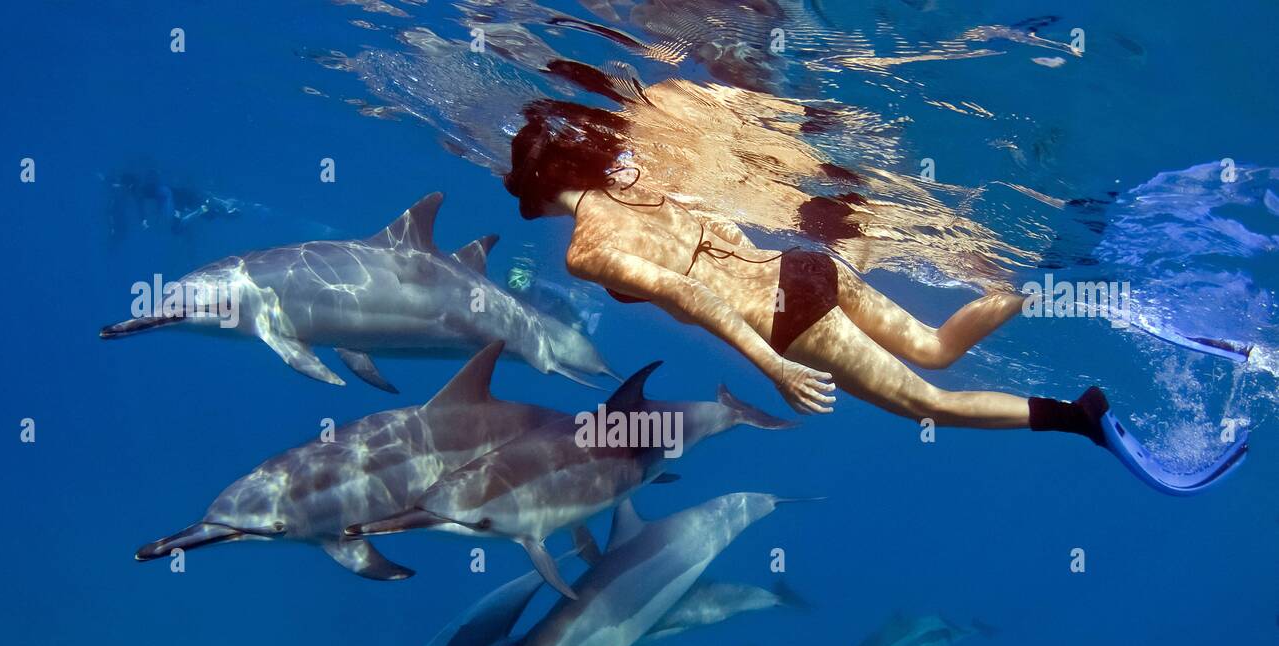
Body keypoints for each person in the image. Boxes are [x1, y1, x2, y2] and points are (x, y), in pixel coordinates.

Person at [501, 98, 1248, 493]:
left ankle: (1083, 419)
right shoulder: (645, 184)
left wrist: (774, 367)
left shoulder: (589, 248)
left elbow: (691, 297)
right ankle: (1048, 268)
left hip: (787, 322)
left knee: (930, 402)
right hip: (802, 272)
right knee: (936, 347)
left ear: (536, 191)